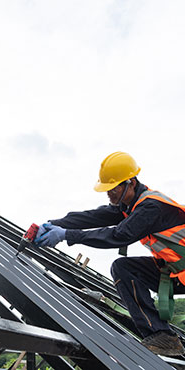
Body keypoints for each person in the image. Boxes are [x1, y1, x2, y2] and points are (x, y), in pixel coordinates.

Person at [35, 151, 185, 356]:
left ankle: (163, 338)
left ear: (130, 183)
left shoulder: (151, 207)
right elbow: (94, 216)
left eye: (112, 189)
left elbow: (119, 235)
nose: (109, 194)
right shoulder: (129, 205)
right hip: (176, 271)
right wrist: (55, 224)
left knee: (123, 267)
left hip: (181, 272)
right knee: (124, 268)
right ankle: (163, 337)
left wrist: (66, 235)